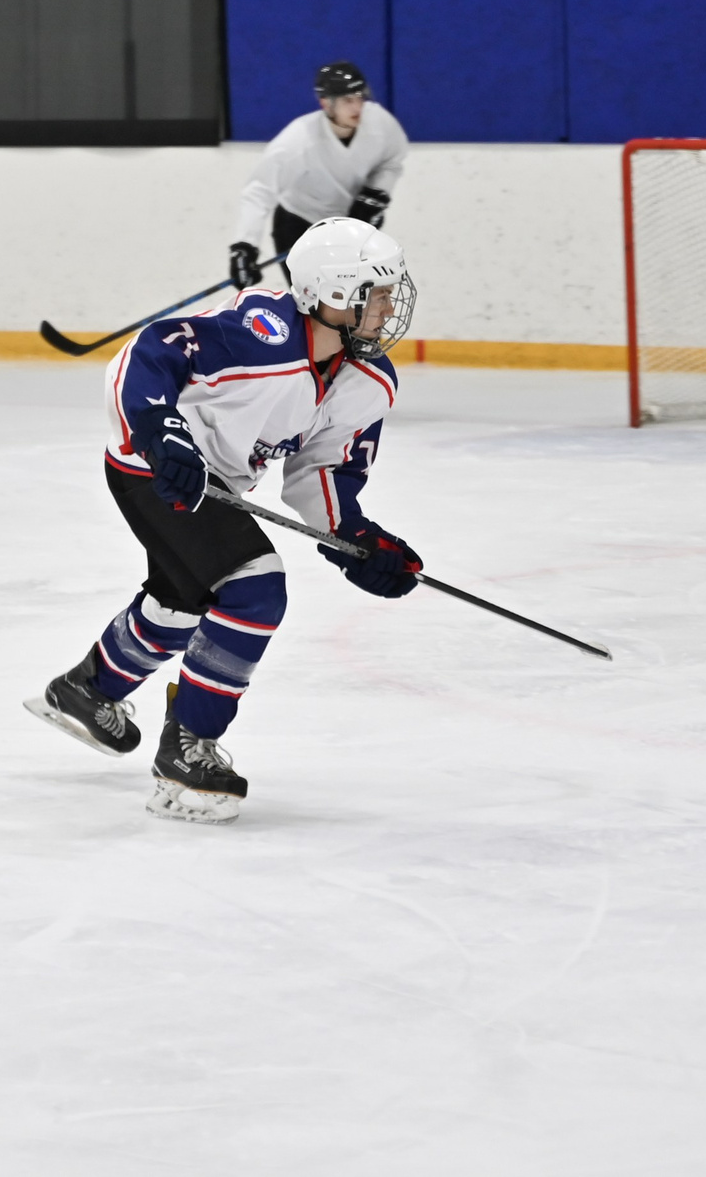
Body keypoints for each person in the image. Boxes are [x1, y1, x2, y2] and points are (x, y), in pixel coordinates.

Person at [26, 216, 422, 825]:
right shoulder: (262, 334)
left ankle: (89, 689)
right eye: (380, 293)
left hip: (220, 487)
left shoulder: (365, 380)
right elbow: (147, 354)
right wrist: (161, 433)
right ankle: (187, 748)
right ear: (336, 296)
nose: (391, 308)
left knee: (184, 599)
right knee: (254, 587)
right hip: (154, 471)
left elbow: (324, 472)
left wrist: (358, 541)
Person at [227, 60, 408, 290]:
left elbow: (392, 161)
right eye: (347, 100)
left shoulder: (381, 123)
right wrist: (244, 247)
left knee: (352, 307)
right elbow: (259, 191)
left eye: (360, 98)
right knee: (315, 311)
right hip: (298, 226)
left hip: (346, 226)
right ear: (326, 103)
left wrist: (376, 193)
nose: (357, 108)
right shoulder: (297, 141)